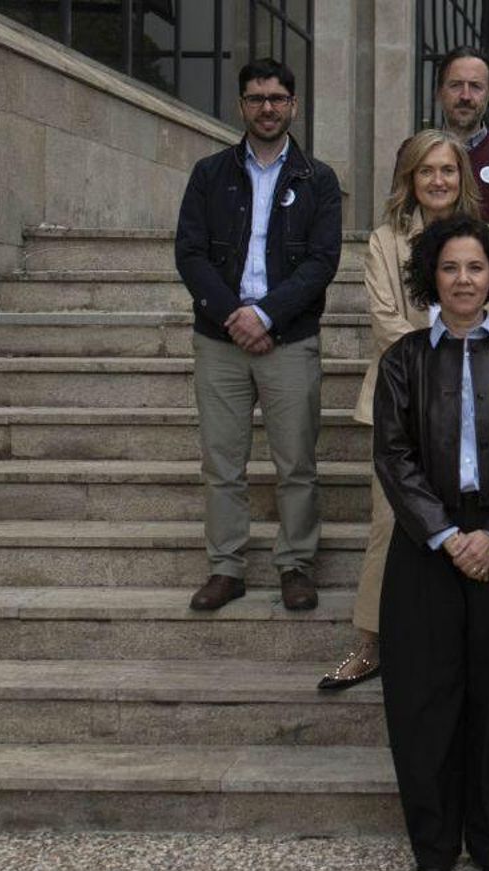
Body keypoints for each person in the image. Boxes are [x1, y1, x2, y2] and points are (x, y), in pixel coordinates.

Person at [372, 214, 489, 871]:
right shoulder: (404, 361)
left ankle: (488, 834)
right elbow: (392, 458)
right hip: (426, 549)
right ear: (432, 277)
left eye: (475, 268)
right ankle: (432, 842)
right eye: (450, 268)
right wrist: (448, 536)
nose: (462, 280)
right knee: (424, 702)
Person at [317, 130, 489, 690]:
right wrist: (443, 360)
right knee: (389, 525)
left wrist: (463, 369)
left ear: (462, 177)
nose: (438, 180)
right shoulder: (384, 241)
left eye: (448, 170)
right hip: (401, 403)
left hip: (479, 402)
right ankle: (371, 642)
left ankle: (460, 641)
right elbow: (386, 324)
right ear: (409, 177)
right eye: (426, 170)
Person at [175, 59, 341, 613]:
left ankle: (295, 564)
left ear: (293, 105)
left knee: (296, 462)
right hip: (220, 339)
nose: (266, 108)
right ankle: (227, 568)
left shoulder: (318, 180)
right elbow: (190, 254)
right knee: (222, 462)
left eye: (276, 98)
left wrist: (265, 315)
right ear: (241, 105)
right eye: (255, 98)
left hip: (289, 341)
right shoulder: (209, 173)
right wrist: (233, 316)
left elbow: (321, 263)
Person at [395, 46, 489, 303]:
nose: (466, 96)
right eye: (456, 85)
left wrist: (440, 212)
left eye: (476, 86)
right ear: (439, 92)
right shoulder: (412, 150)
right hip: (423, 294)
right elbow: (405, 215)